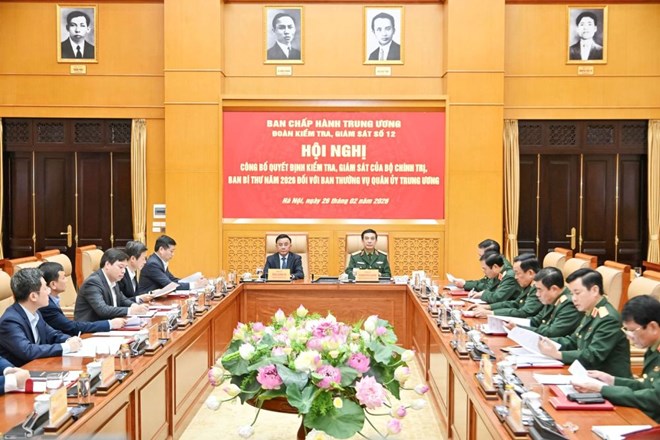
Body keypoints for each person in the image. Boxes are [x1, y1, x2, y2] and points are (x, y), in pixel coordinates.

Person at [571, 295, 660, 423]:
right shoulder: (653, 348)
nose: (629, 337)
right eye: (626, 331)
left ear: (652, 327)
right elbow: (646, 386)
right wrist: (611, 380)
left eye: (633, 331)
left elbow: (654, 398)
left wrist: (602, 390)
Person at [538, 268, 631, 378]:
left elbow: (593, 356)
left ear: (594, 290)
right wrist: (544, 342)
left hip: (608, 382)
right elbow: (573, 341)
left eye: (577, 293)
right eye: (572, 293)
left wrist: (558, 354)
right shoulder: (590, 311)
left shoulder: (608, 319)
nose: (573, 299)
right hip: (586, 375)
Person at [0, 268, 82, 367]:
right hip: (20, 372)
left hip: (39, 366)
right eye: (45, 288)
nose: (49, 291)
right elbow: (28, 351)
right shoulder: (10, 321)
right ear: (33, 296)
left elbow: (52, 335)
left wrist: (69, 340)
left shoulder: (35, 312)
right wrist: (66, 347)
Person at [39, 261, 126, 335]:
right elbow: (70, 327)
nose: (66, 280)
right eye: (64, 277)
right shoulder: (47, 306)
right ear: (53, 284)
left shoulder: (53, 300)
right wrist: (109, 324)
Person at [74, 248, 149, 322]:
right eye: (120, 267)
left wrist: (135, 306)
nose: (123, 271)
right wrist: (130, 310)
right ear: (107, 265)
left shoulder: (113, 280)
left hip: (111, 324)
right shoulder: (93, 283)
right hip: (92, 327)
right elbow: (103, 310)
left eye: (125, 268)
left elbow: (122, 300)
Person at [506, 267, 581, 338]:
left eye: (539, 290)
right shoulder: (552, 299)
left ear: (554, 289)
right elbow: (536, 320)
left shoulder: (569, 305)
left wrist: (519, 329)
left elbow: (551, 333)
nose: (537, 294)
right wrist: (512, 322)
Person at [470, 254, 542, 318]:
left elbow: (524, 312)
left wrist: (491, 313)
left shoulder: (539, 287)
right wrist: (488, 307)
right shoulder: (529, 284)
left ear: (530, 273)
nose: (515, 277)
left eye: (517, 273)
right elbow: (515, 303)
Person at [137, 235, 207, 294]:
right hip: (146, 300)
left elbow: (172, 279)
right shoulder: (153, 264)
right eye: (171, 251)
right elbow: (169, 285)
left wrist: (193, 281)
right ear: (161, 249)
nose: (173, 254)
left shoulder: (159, 261)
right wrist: (194, 285)